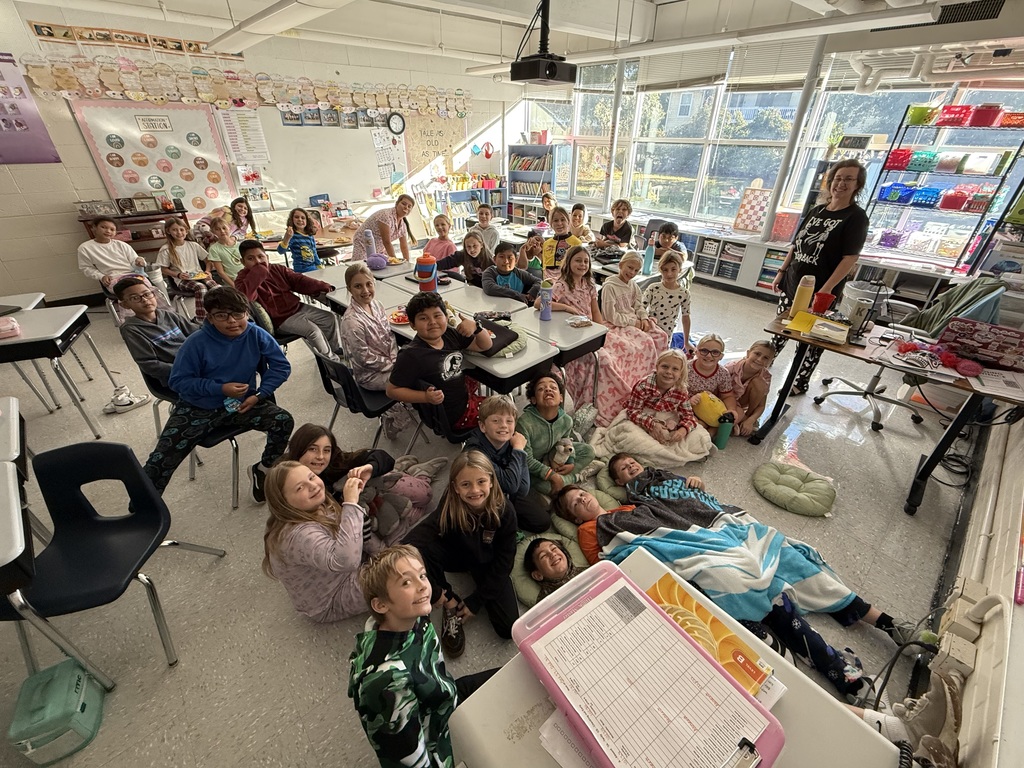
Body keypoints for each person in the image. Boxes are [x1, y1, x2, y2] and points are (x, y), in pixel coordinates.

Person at [554, 467, 920, 698]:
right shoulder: (594, 530)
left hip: (707, 540)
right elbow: (613, 563)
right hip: (688, 562)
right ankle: (840, 675)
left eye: (581, 493)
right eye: (574, 504)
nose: (582, 498)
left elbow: (681, 513)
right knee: (742, 585)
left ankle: (885, 623)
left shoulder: (632, 506)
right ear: (573, 518)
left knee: (781, 560)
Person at [348, 545, 499, 767]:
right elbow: (411, 760)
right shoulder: (386, 683)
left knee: (518, 677)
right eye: (406, 582)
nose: (423, 586)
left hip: (443, 699)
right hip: (437, 741)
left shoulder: (413, 617)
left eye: (422, 575)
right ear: (381, 604)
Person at [142, 286, 294, 501]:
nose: (232, 321)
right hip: (197, 407)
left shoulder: (256, 334)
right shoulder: (196, 343)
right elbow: (178, 381)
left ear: (247, 313)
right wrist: (219, 388)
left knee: (283, 421)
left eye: (238, 314)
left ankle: (264, 469)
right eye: (222, 315)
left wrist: (260, 394)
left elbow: (281, 366)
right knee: (159, 462)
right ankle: (143, 508)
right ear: (210, 318)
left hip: (241, 404)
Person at [403, 451, 518, 656]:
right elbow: (420, 535)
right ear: (455, 487)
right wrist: (437, 592)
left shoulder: (505, 512)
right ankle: (449, 601)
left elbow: (505, 561)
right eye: (465, 484)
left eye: (481, 482)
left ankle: (464, 592)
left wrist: (477, 600)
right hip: (457, 555)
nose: (475, 490)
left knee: (508, 628)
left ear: (492, 481)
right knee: (419, 550)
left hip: (487, 562)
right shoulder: (450, 503)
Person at [770, 159, 869, 395]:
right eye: (838, 178)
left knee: (812, 338)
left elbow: (850, 258)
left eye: (848, 179)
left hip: (822, 290)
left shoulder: (856, 217)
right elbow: (796, 245)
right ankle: (766, 362)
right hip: (793, 282)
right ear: (830, 181)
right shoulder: (817, 211)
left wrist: (826, 290)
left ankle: (801, 381)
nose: (841, 184)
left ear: (857, 185)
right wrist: (781, 271)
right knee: (781, 328)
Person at [547, 246, 659, 425]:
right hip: (571, 335)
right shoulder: (561, 285)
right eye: (578, 260)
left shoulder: (589, 285)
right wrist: (567, 308)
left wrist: (602, 332)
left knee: (628, 349)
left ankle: (631, 396)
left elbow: (595, 312)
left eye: (586, 261)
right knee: (605, 362)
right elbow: (541, 303)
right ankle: (600, 406)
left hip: (590, 330)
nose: (582, 264)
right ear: (568, 262)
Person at [262, 461, 377, 622]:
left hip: (339, 571)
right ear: (284, 503)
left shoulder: (315, 505)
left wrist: (383, 551)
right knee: (397, 577)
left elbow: (353, 534)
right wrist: (351, 503)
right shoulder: (299, 535)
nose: (312, 486)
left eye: (311, 477)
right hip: (331, 600)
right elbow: (347, 561)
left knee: (398, 551)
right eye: (300, 488)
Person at [282, 423, 440, 538]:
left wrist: (370, 468)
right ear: (299, 448)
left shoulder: (336, 463)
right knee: (399, 530)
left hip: (375, 489)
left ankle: (415, 473)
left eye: (327, 450)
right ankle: (403, 470)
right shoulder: (285, 477)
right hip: (357, 516)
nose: (321, 456)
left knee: (424, 495)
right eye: (312, 449)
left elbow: (381, 456)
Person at [386, 291, 492, 430]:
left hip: (460, 391)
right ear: (412, 325)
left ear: (446, 317)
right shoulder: (411, 355)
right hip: (455, 413)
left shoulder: (449, 333)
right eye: (423, 318)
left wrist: (476, 328)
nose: (432, 322)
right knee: (503, 412)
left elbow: (484, 345)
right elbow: (391, 391)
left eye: (437, 315)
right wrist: (425, 397)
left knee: (480, 378)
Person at [338, 263, 415, 437]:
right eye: (358, 286)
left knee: (417, 371)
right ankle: (394, 422)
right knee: (412, 383)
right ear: (349, 289)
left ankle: (408, 405)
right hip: (370, 375)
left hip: (390, 363)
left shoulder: (377, 305)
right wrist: (394, 365)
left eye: (369, 284)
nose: (365, 290)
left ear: (374, 283)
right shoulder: (352, 322)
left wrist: (397, 360)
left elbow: (389, 337)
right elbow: (364, 358)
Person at [234, 240, 341, 359]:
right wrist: (258, 274)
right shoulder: (242, 279)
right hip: (280, 319)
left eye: (260, 256)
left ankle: (335, 350)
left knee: (329, 318)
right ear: (243, 262)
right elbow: (245, 297)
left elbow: (298, 280)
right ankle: (331, 362)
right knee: (313, 331)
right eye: (251, 259)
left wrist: (323, 286)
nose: (258, 261)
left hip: (297, 308)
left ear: (267, 257)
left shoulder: (277, 269)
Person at [465, 396, 549, 532]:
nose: (504, 425)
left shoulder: (513, 441)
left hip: (507, 492)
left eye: (509, 421)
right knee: (490, 530)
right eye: (496, 420)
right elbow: (511, 485)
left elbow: (522, 489)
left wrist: (517, 450)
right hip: (482, 498)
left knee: (542, 522)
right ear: (482, 426)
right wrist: (518, 450)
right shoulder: (475, 452)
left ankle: (509, 520)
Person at [517, 370, 597, 495]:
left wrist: (570, 462)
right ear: (533, 400)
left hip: (553, 455)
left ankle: (563, 480)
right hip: (532, 466)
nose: (548, 389)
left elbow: (566, 442)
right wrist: (551, 475)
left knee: (589, 451)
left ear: (561, 398)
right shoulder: (524, 423)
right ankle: (573, 478)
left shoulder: (566, 420)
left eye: (553, 387)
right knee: (545, 486)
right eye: (541, 389)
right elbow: (526, 459)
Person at [114, 277, 199, 388]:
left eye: (147, 294)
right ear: (125, 305)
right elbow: (149, 364)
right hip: (178, 376)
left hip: (198, 363)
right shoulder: (131, 330)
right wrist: (186, 369)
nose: (145, 300)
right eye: (135, 298)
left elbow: (197, 335)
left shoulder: (169, 315)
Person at [624, 349, 698, 443]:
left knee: (698, 435)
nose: (669, 372)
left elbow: (689, 416)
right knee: (630, 436)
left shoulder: (681, 390)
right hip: (644, 415)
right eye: (665, 366)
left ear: (681, 373)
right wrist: (652, 424)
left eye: (675, 369)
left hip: (667, 416)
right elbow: (632, 411)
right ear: (657, 367)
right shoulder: (643, 386)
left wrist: (682, 431)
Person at [600, 250, 669, 351]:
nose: (632, 272)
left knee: (662, 336)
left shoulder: (634, 285)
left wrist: (644, 318)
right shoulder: (610, 287)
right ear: (621, 265)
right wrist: (633, 322)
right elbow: (610, 316)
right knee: (646, 342)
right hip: (617, 324)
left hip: (634, 320)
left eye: (636, 270)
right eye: (630, 267)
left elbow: (638, 306)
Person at [156, 218, 216, 321]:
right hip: (182, 280)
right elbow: (163, 269)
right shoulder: (165, 249)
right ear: (168, 231)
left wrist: (207, 271)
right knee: (201, 288)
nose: (179, 233)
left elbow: (208, 261)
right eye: (174, 230)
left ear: (186, 231)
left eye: (181, 229)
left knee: (216, 288)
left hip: (200, 275)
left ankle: (220, 313)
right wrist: (178, 275)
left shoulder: (193, 245)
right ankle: (201, 319)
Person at [643, 250, 695, 353]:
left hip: (667, 335)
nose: (669, 274)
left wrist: (686, 342)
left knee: (661, 357)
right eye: (665, 270)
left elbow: (686, 317)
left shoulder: (684, 293)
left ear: (680, 270)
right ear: (660, 270)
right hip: (649, 331)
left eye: (673, 269)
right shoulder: (653, 288)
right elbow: (641, 308)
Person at [688, 333, 744, 427]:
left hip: (710, 407)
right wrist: (688, 402)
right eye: (704, 351)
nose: (709, 356)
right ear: (696, 351)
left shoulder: (722, 373)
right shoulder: (686, 368)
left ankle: (713, 428)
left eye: (715, 352)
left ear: (721, 356)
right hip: (688, 405)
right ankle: (714, 429)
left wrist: (731, 410)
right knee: (695, 422)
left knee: (739, 412)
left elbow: (727, 396)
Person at [724, 341, 776, 437]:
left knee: (759, 382)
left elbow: (761, 405)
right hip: (724, 400)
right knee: (735, 419)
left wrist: (751, 420)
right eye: (757, 354)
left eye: (765, 358)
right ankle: (741, 421)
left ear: (770, 362)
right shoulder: (730, 368)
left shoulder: (766, 376)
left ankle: (747, 418)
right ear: (748, 353)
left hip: (741, 404)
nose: (759, 359)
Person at [351, 195, 415, 261]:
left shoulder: (402, 225)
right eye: (403, 204)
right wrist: (395, 261)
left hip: (379, 247)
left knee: (380, 265)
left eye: (409, 206)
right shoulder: (386, 215)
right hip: (363, 243)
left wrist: (407, 263)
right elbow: (386, 242)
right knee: (360, 265)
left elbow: (404, 247)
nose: (406, 207)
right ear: (397, 203)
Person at [540, 206, 580, 281]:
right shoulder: (546, 244)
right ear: (551, 223)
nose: (559, 223)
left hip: (567, 279)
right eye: (555, 220)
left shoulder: (576, 243)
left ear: (568, 221)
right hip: (548, 280)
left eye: (562, 220)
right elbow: (544, 266)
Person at [277, 207, 322, 273]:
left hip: (313, 267)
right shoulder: (292, 236)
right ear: (291, 220)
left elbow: (314, 253)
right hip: (301, 269)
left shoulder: (310, 235)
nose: (300, 219)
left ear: (307, 221)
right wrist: (287, 238)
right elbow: (281, 251)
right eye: (296, 217)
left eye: (303, 218)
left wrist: (319, 265)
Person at [206, 217, 244, 287]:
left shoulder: (240, 245)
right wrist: (235, 286)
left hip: (248, 279)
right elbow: (221, 272)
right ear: (213, 231)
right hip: (233, 283)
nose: (222, 231)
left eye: (224, 228)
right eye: (217, 229)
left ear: (229, 227)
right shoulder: (214, 249)